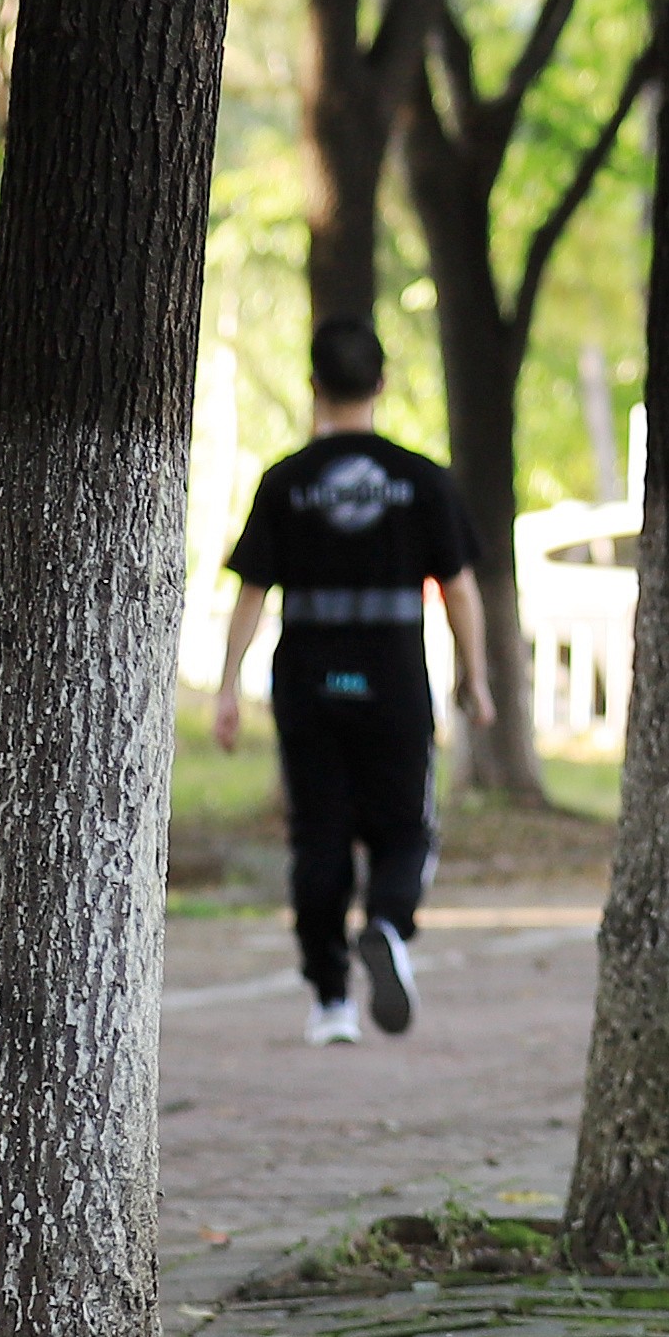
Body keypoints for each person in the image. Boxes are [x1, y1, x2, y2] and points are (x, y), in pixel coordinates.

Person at [213, 319, 491, 1044]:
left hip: (309, 683)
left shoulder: (287, 482)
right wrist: (477, 678)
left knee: (319, 838)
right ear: (381, 384)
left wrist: (226, 688)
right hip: (393, 680)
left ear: (314, 387)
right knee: (405, 830)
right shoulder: (421, 480)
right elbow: (460, 590)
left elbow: (251, 594)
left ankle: (331, 1000)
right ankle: (391, 928)